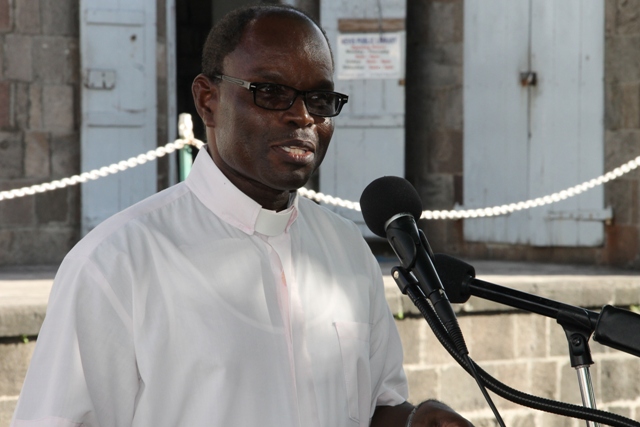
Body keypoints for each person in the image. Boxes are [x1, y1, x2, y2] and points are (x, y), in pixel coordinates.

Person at [11, 4, 473, 427]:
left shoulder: (348, 251)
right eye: (271, 92)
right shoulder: (115, 264)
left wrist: (411, 422)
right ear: (208, 101)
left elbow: (373, 405)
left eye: (320, 99)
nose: (303, 117)